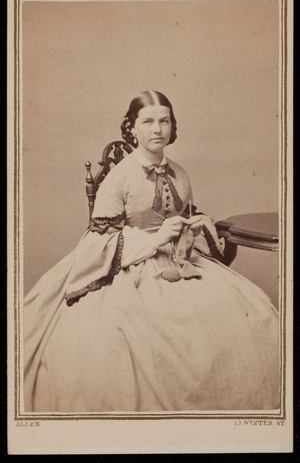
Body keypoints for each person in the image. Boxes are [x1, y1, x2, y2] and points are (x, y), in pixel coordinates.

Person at [24, 90, 279, 413]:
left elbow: (184, 216)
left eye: (164, 121)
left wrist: (194, 226)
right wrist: (156, 240)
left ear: (173, 127)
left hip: (180, 259)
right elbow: (97, 242)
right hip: (130, 267)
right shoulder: (118, 178)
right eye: (147, 122)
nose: (157, 129)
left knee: (250, 314)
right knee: (142, 335)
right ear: (132, 128)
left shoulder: (181, 173)